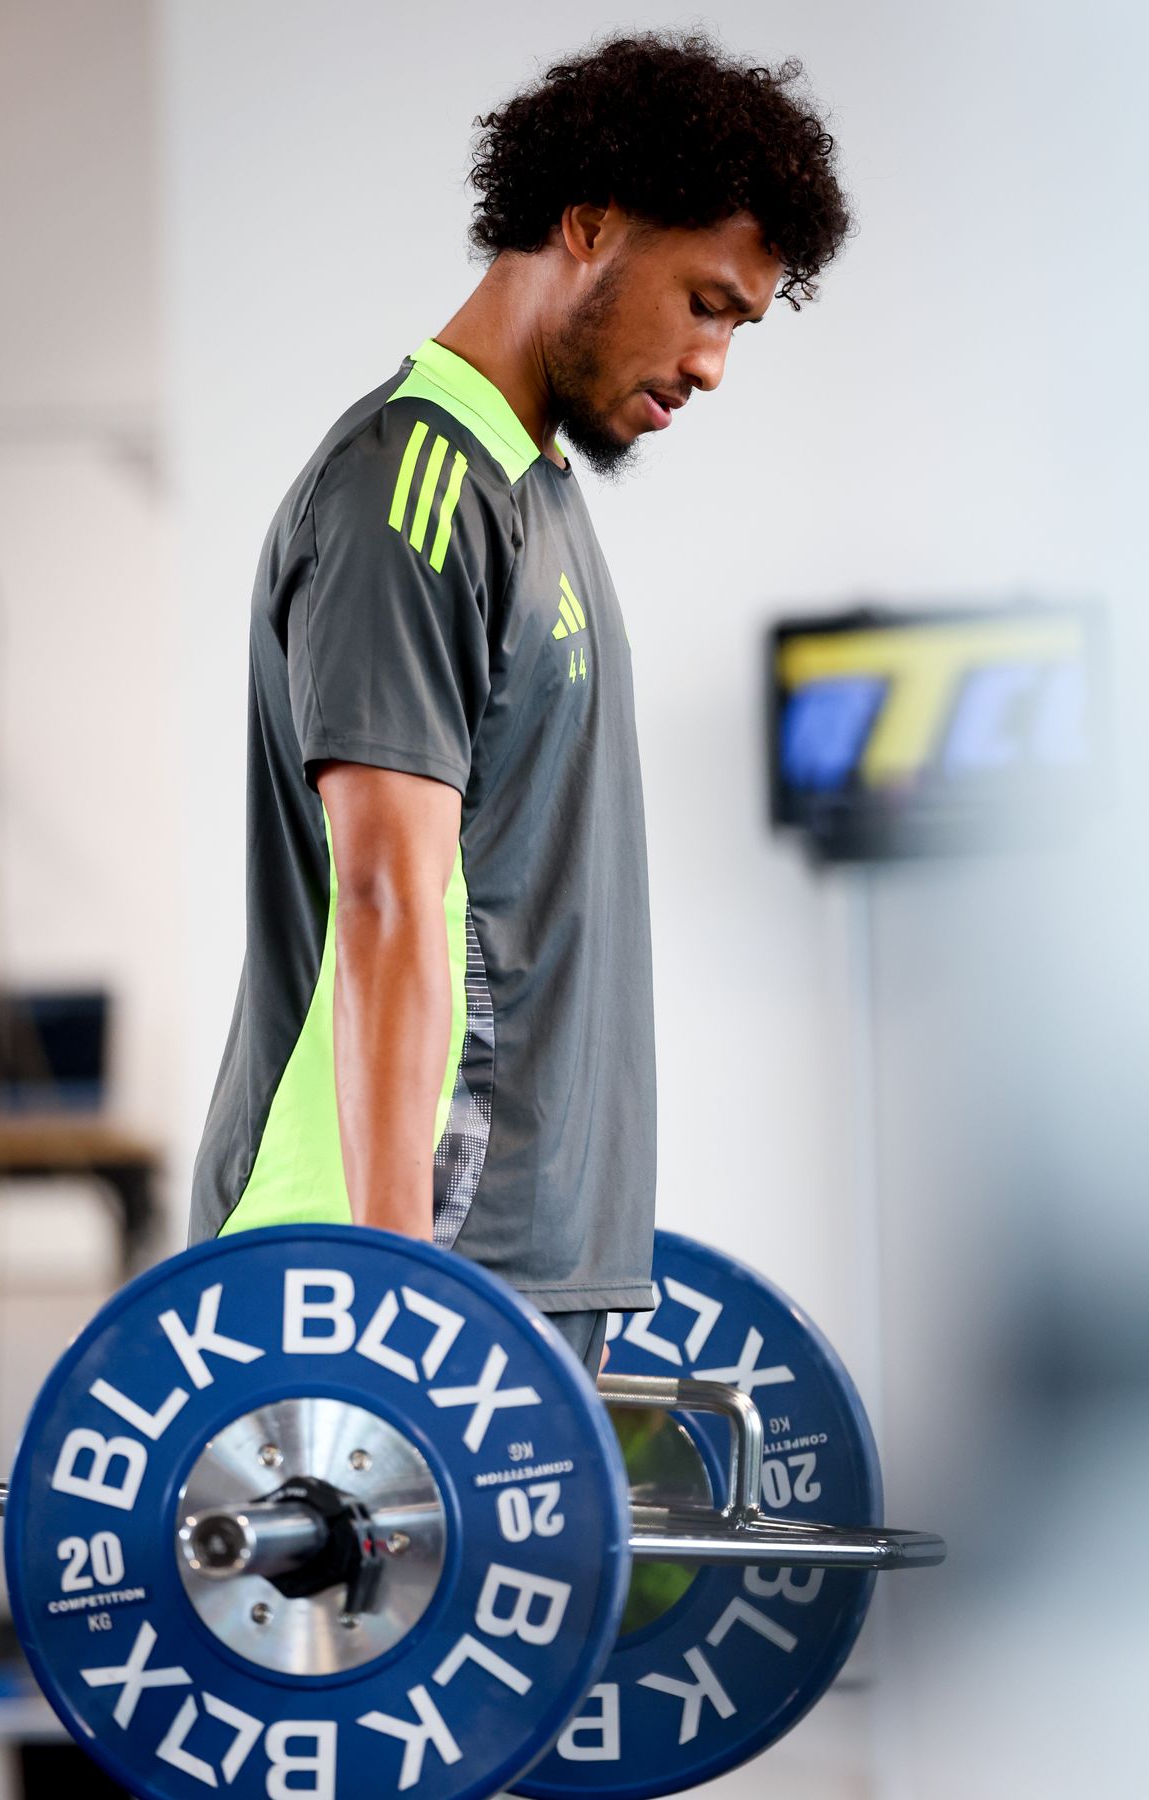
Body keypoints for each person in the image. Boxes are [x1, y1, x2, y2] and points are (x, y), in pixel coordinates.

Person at [188, 28, 852, 1379]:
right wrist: (390, 1294)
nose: (714, 363)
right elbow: (382, 898)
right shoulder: (408, 492)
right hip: (397, 1278)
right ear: (589, 224)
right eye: (707, 302)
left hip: (516, 1271)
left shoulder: (528, 492)